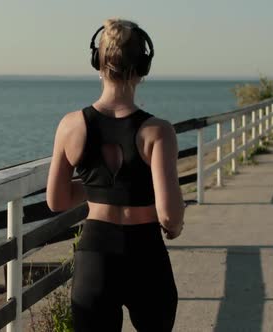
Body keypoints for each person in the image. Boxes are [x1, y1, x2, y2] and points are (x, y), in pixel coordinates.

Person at [46, 18, 185, 332]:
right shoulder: (157, 131)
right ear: (142, 68)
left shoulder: (71, 125)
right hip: (146, 256)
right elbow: (169, 215)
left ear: (98, 63)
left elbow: (57, 200)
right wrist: (175, 226)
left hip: (95, 255)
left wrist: (99, 187)